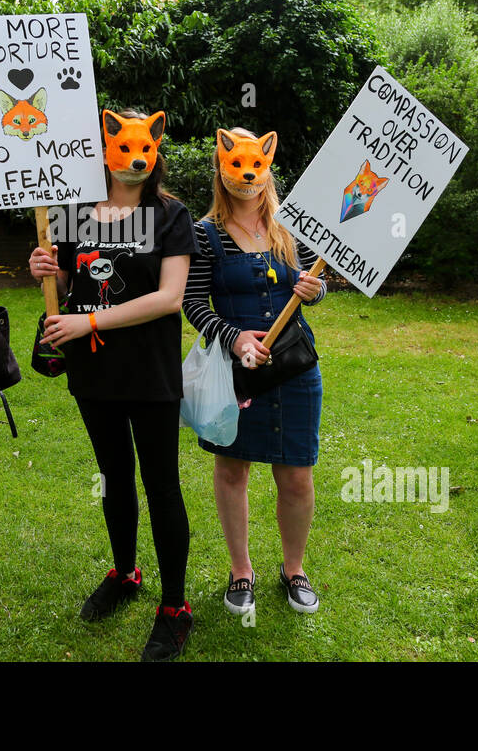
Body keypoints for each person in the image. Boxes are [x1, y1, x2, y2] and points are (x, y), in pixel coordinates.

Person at [29, 108, 197, 662]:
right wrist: (47, 271)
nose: (135, 159)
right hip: (94, 371)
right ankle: (126, 573)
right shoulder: (76, 212)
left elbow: (170, 298)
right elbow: (75, 280)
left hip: (150, 372)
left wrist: (89, 322)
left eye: (144, 148)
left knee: (161, 483)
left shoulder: (170, 215)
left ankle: (175, 608)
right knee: (114, 476)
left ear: (155, 148)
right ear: (103, 147)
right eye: (123, 148)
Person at [181, 127, 327, 615]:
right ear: (223, 167)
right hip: (236, 372)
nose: (247, 174)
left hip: (294, 367)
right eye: (237, 165)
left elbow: (316, 281)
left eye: (256, 165)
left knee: (297, 476)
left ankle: (294, 568)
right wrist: (234, 336)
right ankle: (241, 570)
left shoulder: (293, 227)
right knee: (232, 469)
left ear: (268, 165)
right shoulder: (203, 233)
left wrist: (315, 291)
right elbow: (191, 302)